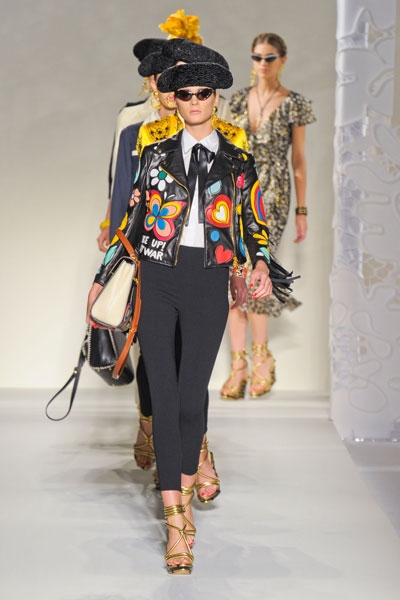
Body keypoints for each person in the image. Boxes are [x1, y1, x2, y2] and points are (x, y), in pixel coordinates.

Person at [86, 45, 294, 573]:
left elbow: (253, 223)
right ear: (174, 100)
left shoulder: (238, 161)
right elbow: (131, 223)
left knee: (190, 395)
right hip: (157, 279)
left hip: (208, 279)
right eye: (186, 93)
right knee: (164, 390)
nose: (196, 100)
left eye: (204, 93)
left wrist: (259, 261)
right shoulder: (154, 156)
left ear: (216, 98)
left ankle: (189, 471)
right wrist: (102, 278)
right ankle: (176, 519)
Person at [220, 32, 316, 400]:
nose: (262, 64)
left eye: (269, 58)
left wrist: (302, 210)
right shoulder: (237, 101)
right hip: (236, 193)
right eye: (257, 57)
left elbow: (299, 160)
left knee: (257, 271)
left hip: (273, 195)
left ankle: (260, 358)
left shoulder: (294, 104)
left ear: (282, 60)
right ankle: (239, 364)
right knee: (232, 272)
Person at [96, 9, 232, 252]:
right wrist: (113, 231)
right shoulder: (134, 127)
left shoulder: (211, 123)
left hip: (198, 241)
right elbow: (120, 183)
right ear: (154, 81)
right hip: (148, 237)